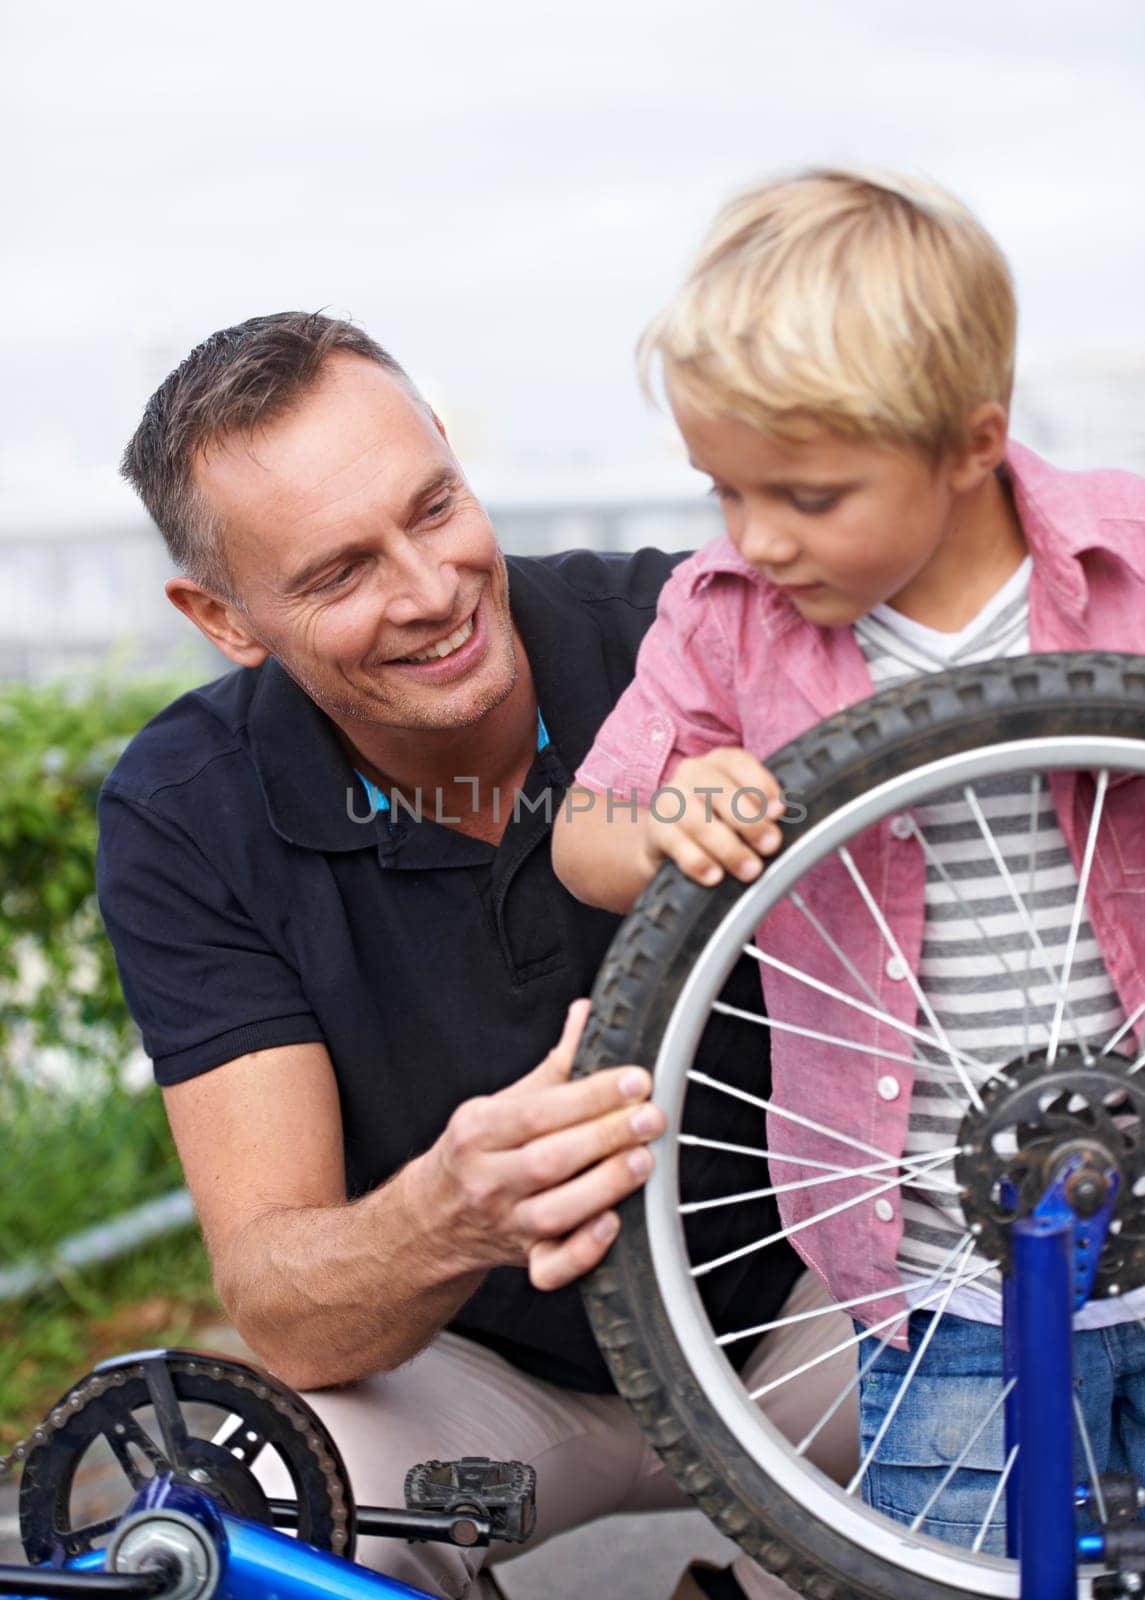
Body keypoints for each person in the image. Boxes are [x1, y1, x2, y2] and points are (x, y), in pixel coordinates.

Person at [97, 313, 856, 1600]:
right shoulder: (184, 808)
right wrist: (451, 1208)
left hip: (818, 1327)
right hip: (484, 1392)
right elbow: (281, 1299)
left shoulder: (697, 638)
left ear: (450, 452)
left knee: (1075, 1372)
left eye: (433, 506)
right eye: (340, 574)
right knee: (243, 1508)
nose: (432, 588)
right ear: (221, 618)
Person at [552, 167, 1145, 1551]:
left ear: (969, 441)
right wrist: (671, 817)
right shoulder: (727, 624)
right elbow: (585, 836)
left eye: (808, 495)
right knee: (940, 1576)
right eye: (722, 488)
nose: (756, 537)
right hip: (942, 1285)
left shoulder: (1126, 561)